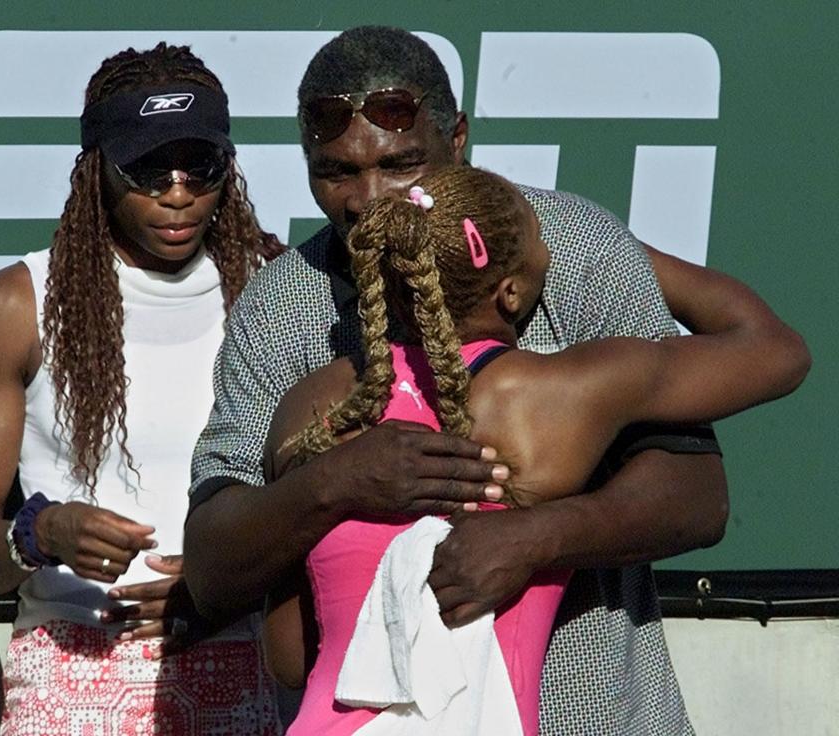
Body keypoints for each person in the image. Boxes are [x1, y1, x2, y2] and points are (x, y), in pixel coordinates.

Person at [181, 25, 793, 734]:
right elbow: (214, 566)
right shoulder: (284, 309)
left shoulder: (571, 247)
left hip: (598, 717)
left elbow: (697, 497)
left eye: (402, 164)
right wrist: (336, 483)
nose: (367, 198)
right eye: (336, 171)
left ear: (459, 138)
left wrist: (538, 536)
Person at [258, 165, 809, 735]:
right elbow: (778, 351)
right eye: (541, 237)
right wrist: (626, 254)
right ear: (513, 290)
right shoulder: (559, 397)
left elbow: (289, 658)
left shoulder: (309, 408)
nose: (550, 244)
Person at [0, 43, 281, 735]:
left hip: (239, 654)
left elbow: (324, 505)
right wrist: (41, 532)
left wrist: (219, 583)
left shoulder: (275, 289)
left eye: (201, 165)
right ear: (98, 168)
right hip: (69, 663)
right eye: (148, 169)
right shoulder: (17, 304)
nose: (179, 190)